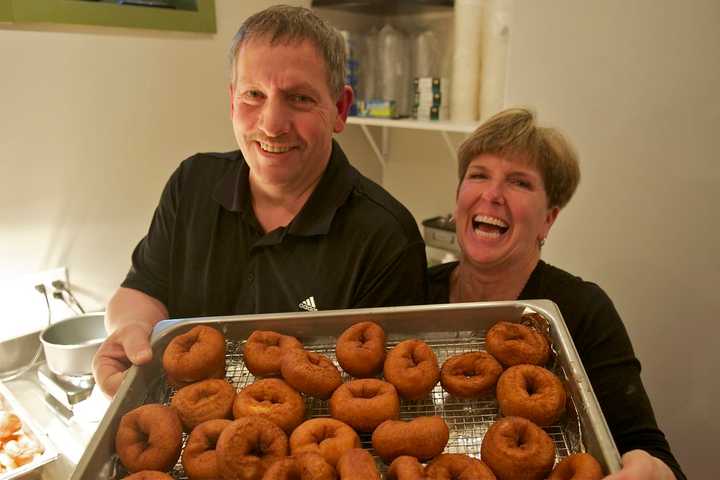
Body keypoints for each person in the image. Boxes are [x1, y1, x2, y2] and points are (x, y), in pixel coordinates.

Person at [93, 6, 427, 397]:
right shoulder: (191, 185)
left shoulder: (386, 237)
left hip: (315, 449)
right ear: (233, 100)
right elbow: (144, 288)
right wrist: (130, 329)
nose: (271, 124)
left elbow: (382, 396)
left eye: (299, 98)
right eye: (254, 94)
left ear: (339, 109)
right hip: (187, 430)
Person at [428, 108, 685, 480]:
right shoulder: (413, 290)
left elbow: (653, 454)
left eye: (519, 182)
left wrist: (650, 471)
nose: (492, 194)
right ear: (458, 198)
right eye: (479, 175)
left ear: (549, 218)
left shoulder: (581, 310)